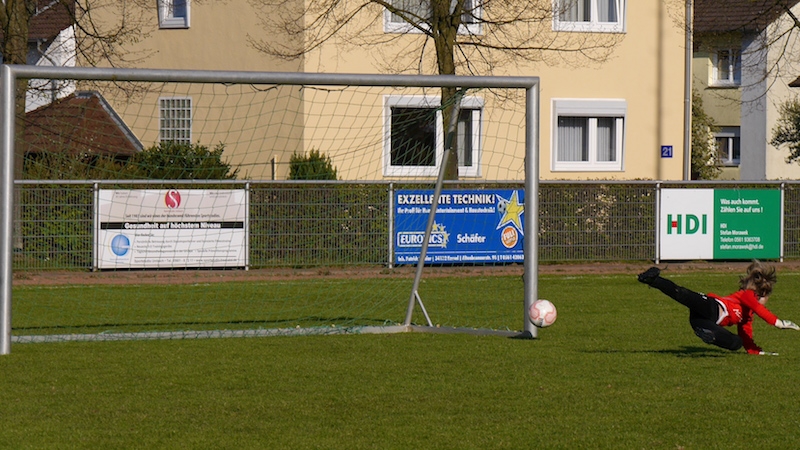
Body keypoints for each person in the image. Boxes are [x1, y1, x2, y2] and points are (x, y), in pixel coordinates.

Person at [637, 261, 800, 355]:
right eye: (765, 298)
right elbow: (760, 310)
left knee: (736, 343)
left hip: (701, 321)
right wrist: (779, 323)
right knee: (682, 294)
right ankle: (652, 279)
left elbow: (746, 338)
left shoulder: (747, 317)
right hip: (711, 306)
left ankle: (710, 335)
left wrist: (758, 352)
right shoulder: (747, 295)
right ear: (760, 294)